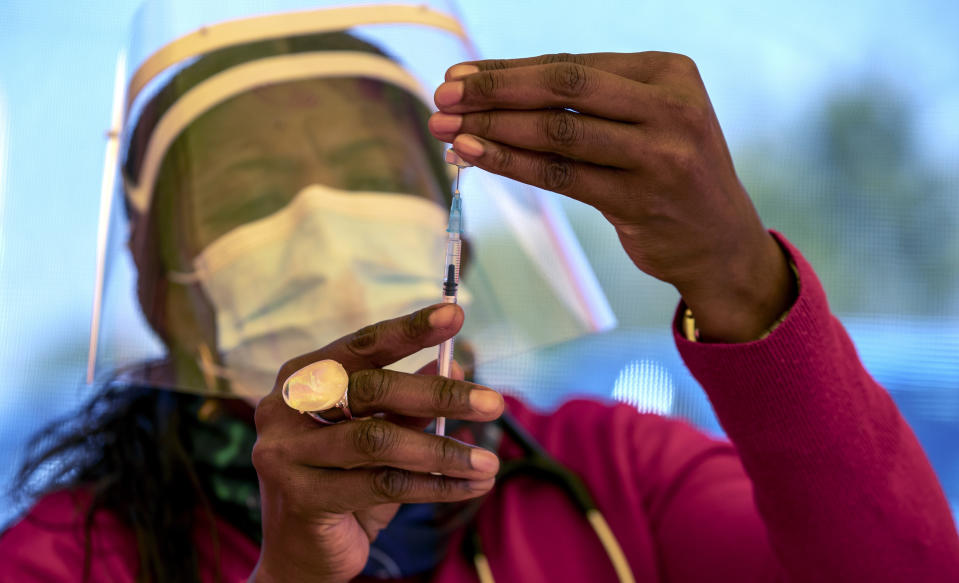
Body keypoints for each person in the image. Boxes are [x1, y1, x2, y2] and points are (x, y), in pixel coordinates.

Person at [2, 10, 958, 583]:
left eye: (364, 169)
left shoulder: (614, 474)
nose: (324, 218)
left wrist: (741, 277)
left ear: (446, 226)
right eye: (252, 193)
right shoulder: (67, 553)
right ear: (166, 287)